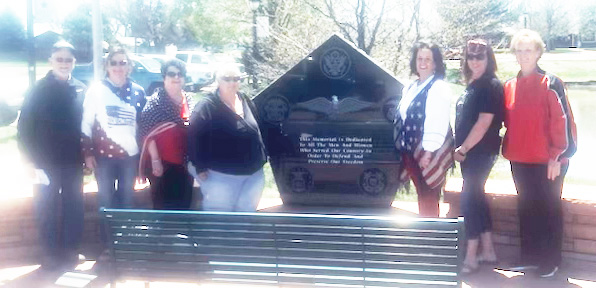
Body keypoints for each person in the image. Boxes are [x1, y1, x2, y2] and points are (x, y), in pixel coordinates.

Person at [504, 29, 577, 278]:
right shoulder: (510, 86)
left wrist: (558, 155)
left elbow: (563, 120)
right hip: (520, 160)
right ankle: (531, 257)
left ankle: (551, 260)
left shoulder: (551, 82)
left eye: (529, 50)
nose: (524, 55)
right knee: (526, 208)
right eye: (519, 50)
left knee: (548, 208)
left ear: (538, 52)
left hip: (549, 162)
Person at [17, 41, 86, 270]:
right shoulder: (38, 90)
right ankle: (49, 253)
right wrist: (27, 161)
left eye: (68, 60)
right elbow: (24, 128)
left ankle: (69, 250)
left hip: (73, 162)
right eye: (59, 59)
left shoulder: (81, 88)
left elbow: (87, 126)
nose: (64, 64)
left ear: (74, 62)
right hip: (43, 163)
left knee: (73, 206)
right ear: (51, 61)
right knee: (45, 207)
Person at [81, 48, 146, 241]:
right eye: (114, 63)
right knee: (106, 200)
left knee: (127, 199)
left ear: (129, 66)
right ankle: (107, 244)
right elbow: (86, 122)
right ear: (107, 66)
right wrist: (87, 152)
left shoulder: (138, 92)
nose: (119, 67)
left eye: (123, 62)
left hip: (130, 156)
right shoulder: (96, 90)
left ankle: (124, 241)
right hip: (103, 156)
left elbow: (142, 125)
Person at [453, 39, 503, 274]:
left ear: (488, 59)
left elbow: (484, 123)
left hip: (479, 153)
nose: (475, 62)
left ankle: (471, 257)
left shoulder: (489, 85)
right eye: (470, 57)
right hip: (472, 154)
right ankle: (488, 250)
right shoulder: (473, 83)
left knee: (469, 200)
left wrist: (462, 149)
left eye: (480, 57)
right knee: (477, 197)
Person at [188, 65, 267, 212]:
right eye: (227, 79)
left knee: (245, 218)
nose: (232, 83)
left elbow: (257, 128)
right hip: (221, 175)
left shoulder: (244, 99)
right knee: (220, 221)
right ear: (218, 81)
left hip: (253, 175)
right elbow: (194, 137)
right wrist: (200, 167)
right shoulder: (206, 106)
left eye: (236, 79)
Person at [393, 41, 454, 217]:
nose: (423, 63)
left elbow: (438, 120)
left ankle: (431, 237)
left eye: (428, 59)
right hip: (411, 148)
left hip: (429, 150)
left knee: (429, 196)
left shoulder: (439, 87)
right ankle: (426, 234)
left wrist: (428, 151)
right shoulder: (411, 87)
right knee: (422, 193)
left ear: (435, 63)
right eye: (420, 58)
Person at [138, 59, 193, 210]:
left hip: (184, 162)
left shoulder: (188, 100)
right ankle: (163, 234)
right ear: (164, 77)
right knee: (163, 207)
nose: (176, 77)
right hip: (161, 164)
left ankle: (180, 234)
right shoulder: (155, 102)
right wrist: (155, 160)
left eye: (180, 74)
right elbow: (147, 132)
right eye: (171, 74)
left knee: (184, 206)